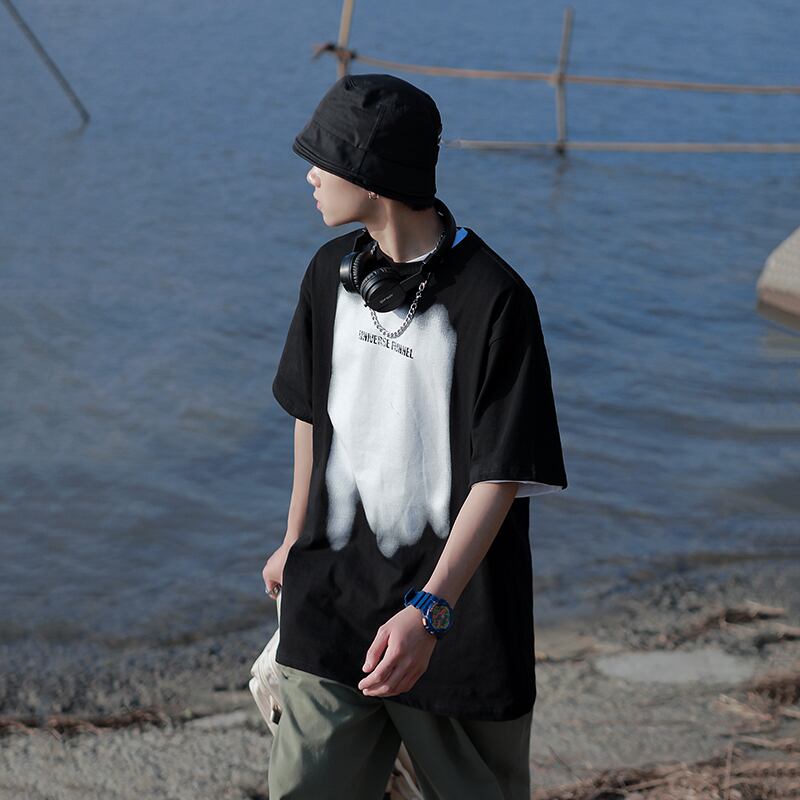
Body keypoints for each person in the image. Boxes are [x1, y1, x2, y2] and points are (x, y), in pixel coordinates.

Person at [261, 72, 568, 800]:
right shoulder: (327, 274)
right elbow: (311, 414)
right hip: (331, 602)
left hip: (459, 619)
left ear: (372, 174)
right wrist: (294, 537)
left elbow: (501, 474)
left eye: (323, 159)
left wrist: (431, 610)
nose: (309, 175)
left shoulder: (496, 300)